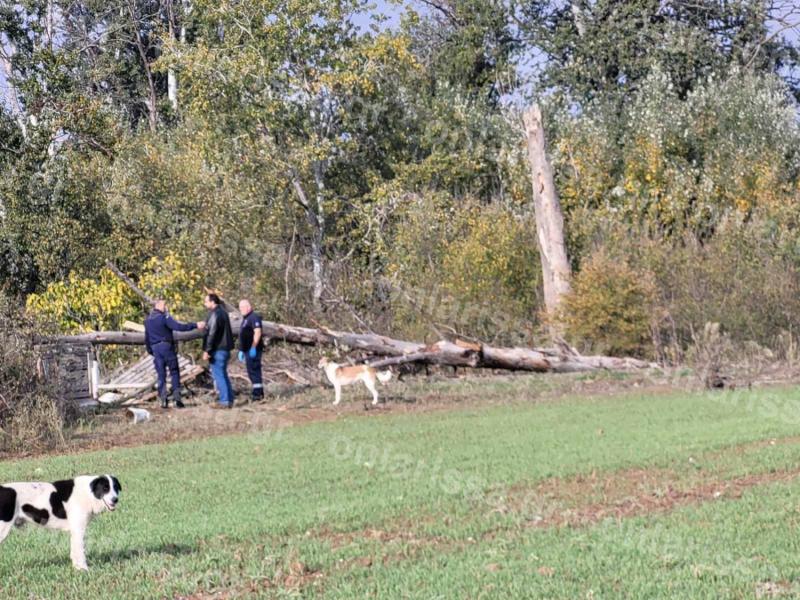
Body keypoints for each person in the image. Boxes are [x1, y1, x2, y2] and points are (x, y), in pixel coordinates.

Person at [144, 300, 205, 409]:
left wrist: (151, 351)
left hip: (155, 349)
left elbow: (147, 338)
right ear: (158, 306)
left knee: (161, 375)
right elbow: (178, 327)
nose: (166, 307)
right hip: (166, 347)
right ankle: (177, 399)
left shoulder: (148, 321)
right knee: (174, 371)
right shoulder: (164, 317)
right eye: (164, 305)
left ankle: (163, 400)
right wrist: (195, 325)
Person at [202, 293, 235, 408]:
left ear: (212, 302)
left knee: (219, 375)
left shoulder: (215, 314)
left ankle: (225, 401)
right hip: (225, 349)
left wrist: (207, 350)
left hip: (218, 349)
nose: (205, 304)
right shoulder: (223, 312)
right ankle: (229, 399)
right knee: (223, 375)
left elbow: (212, 333)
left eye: (206, 301)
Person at [237, 299, 265, 401]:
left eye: (242, 307)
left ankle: (258, 395)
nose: (241, 309)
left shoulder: (254, 317)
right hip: (246, 350)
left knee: (254, 371)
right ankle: (256, 392)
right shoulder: (245, 319)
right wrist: (241, 349)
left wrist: (253, 347)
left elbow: (257, 332)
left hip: (253, 350)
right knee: (251, 371)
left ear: (248, 307)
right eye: (240, 308)